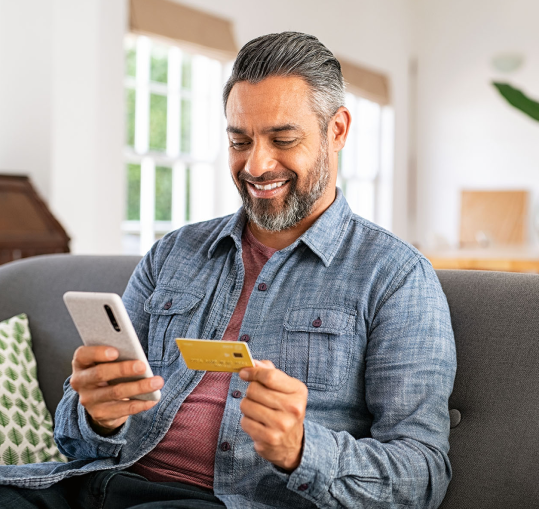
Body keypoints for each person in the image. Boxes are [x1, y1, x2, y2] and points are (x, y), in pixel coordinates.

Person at [0, 32, 456, 508]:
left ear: (337, 130)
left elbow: (422, 474)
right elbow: (78, 442)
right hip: (92, 483)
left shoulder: (396, 277)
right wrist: (99, 416)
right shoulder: (173, 254)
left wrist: (302, 450)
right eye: (240, 141)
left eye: (283, 139)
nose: (256, 165)